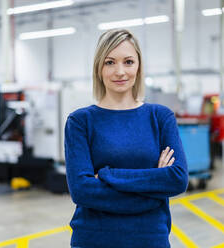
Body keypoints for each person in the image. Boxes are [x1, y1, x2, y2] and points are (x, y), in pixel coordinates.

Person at [64, 29, 188, 248]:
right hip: (94, 239)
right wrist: (154, 186)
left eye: (128, 62)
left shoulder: (160, 117)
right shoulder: (80, 121)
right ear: (99, 68)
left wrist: (106, 175)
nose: (120, 71)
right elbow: (82, 190)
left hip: (150, 238)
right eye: (110, 62)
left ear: (138, 66)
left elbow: (177, 179)